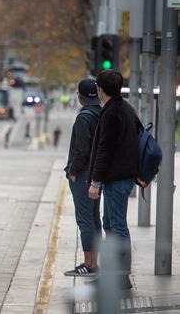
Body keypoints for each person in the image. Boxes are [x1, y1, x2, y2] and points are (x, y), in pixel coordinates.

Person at [88, 71, 140, 290]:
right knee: (110, 224)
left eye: (98, 87)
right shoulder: (125, 108)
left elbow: (105, 150)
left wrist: (95, 182)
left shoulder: (111, 113)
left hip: (116, 179)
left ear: (101, 88)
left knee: (117, 227)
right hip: (122, 177)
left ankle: (121, 275)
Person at [63, 79, 102, 277]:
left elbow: (81, 149)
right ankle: (94, 261)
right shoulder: (101, 113)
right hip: (97, 174)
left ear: (80, 96)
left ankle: (89, 264)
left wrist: (72, 170)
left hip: (84, 174)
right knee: (94, 219)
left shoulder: (83, 118)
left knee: (84, 220)